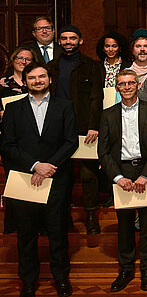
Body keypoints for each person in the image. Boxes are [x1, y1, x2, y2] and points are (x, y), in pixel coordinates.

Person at [1, 62, 78, 297]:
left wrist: (48, 167)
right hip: (25, 179)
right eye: (32, 78)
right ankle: (28, 281)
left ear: (50, 79)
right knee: (26, 234)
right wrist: (35, 165)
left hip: (56, 179)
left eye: (41, 76)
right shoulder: (13, 108)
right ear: (25, 82)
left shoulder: (64, 106)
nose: (37, 81)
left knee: (57, 233)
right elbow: (7, 145)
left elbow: (71, 142)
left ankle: (61, 279)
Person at [98, 69, 147, 293]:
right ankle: (126, 268)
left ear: (138, 85)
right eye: (122, 84)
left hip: (145, 171)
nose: (126, 87)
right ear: (117, 88)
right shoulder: (108, 115)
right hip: (121, 172)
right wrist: (117, 178)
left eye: (130, 83)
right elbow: (103, 151)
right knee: (124, 225)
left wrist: (146, 175)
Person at [48, 25, 105, 235]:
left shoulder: (92, 66)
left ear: (80, 41)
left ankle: (90, 215)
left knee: (88, 174)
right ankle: (63, 216)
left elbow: (96, 97)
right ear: (59, 41)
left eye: (72, 38)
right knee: (61, 174)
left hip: (84, 127)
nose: (68, 42)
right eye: (64, 38)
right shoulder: (51, 67)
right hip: (57, 128)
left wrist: (94, 126)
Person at [0, 47, 34, 235]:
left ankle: (35, 222)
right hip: (10, 138)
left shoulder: (36, 81)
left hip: (33, 138)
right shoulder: (2, 83)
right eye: (19, 58)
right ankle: (14, 222)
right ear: (13, 60)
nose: (23, 61)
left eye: (27, 59)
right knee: (13, 178)